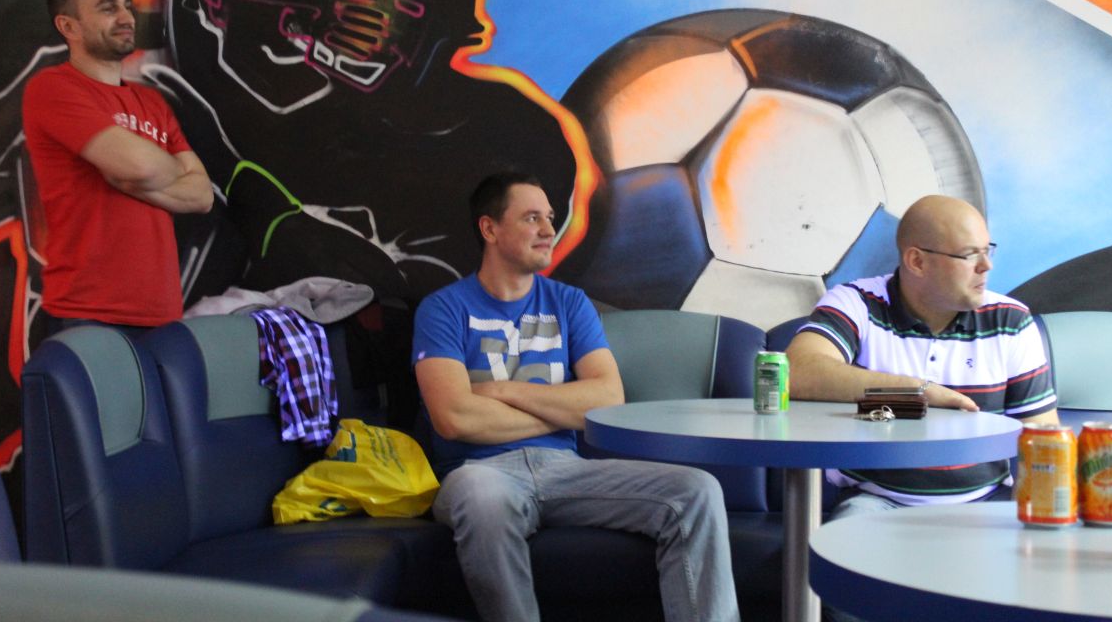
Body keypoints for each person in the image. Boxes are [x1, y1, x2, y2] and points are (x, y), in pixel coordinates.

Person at [411, 172, 740, 622]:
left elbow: (608, 399)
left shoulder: (569, 303)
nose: (549, 229)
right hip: (478, 471)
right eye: (531, 218)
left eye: (549, 217)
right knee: (481, 497)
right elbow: (454, 418)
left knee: (698, 490)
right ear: (490, 228)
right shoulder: (443, 308)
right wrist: (565, 409)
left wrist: (503, 391)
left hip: (567, 470)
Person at [787, 194, 1059, 516]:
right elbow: (795, 372)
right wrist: (921, 392)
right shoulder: (857, 303)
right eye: (970, 255)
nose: (987, 266)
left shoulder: (1010, 320)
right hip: (877, 501)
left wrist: (1028, 523)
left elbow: (1044, 439)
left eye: (987, 251)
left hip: (986, 502)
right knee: (848, 537)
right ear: (917, 261)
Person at [22, 0, 213, 335]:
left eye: (127, 5)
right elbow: (140, 168)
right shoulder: (53, 88)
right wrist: (164, 171)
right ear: (69, 27)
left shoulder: (153, 103)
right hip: (86, 314)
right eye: (108, 8)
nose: (126, 18)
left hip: (162, 314)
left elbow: (202, 195)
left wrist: (134, 177)